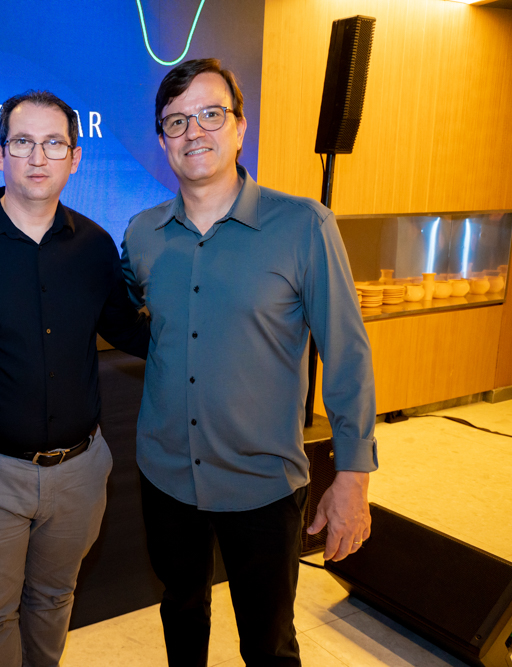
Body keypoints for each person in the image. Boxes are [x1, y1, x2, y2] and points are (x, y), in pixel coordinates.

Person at [121, 59, 378, 666]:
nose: (194, 131)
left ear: (240, 127)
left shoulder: (304, 226)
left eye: (211, 114)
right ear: (162, 141)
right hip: (166, 475)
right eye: (177, 121)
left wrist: (353, 478)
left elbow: (347, 354)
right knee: (181, 613)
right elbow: (121, 308)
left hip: (262, 483)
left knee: (268, 643)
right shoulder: (142, 234)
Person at [0, 90, 149, 667]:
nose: (38, 157)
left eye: (53, 144)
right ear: (0, 154)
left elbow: (131, 331)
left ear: (75, 158)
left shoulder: (94, 246)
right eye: (23, 143)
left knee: (53, 598)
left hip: (79, 471)